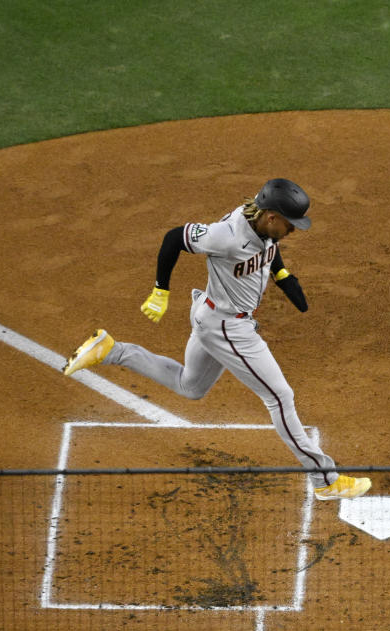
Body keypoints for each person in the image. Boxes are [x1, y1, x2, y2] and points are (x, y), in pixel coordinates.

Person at [62, 178, 371, 500]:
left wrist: (282, 275)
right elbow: (173, 238)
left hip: (210, 317)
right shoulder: (226, 237)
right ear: (270, 216)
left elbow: (269, 246)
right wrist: (160, 290)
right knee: (280, 396)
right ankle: (326, 480)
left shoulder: (262, 225)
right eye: (290, 224)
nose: (293, 230)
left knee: (190, 386)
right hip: (227, 327)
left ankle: (112, 350)